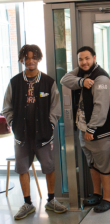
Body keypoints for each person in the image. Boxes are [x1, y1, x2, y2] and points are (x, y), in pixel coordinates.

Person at [2, 44, 67, 220]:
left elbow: (55, 108)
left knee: (48, 168)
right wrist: (13, 124)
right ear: (22, 59)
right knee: (23, 169)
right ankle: (27, 203)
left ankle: (51, 200)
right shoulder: (14, 82)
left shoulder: (48, 82)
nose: (30, 61)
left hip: (43, 136)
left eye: (34, 57)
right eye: (27, 57)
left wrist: (51, 126)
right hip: (22, 136)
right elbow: (6, 107)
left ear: (39, 59)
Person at [60, 46, 110, 213]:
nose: (84, 62)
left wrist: (92, 129)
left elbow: (100, 107)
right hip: (83, 130)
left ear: (94, 57)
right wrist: (81, 81)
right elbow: (64, 80)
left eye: (87, 58)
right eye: (80, 59)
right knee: (93, 164)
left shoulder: (101, 78)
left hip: (100, 131)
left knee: (105, 166)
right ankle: (96, 194)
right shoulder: (81, 73)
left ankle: (107, 199)